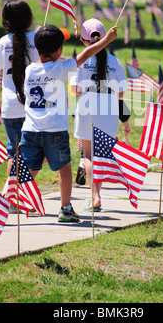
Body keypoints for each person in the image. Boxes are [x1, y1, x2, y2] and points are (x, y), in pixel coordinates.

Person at [19, 23, 118, 222]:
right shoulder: (62, 68)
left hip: (30, 129)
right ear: (59, 50)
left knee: (30, 168)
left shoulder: (29, 70)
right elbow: (86, 55)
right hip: (55, 129)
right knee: (64, 170)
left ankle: (17, 199)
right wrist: (106, 40)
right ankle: (65, 208)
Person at [71, 18, 128, 211]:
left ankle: (94, 195)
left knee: (88, 155)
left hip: (87, 110)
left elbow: (75, 90)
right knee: (102, 155)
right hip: (109, 112)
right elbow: (121, 93)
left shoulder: (81, 59)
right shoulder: (114, 61)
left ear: (84, 40)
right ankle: (97, 195)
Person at [0, 0, 39, 202]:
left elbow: (1, 74)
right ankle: (14, 194)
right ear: (29, 18)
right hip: (33, 105)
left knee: (14, 153)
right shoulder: (37, 39)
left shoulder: (3, 42)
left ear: (5, 21)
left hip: (10, 106)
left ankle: (10, 194)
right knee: (34, 152)